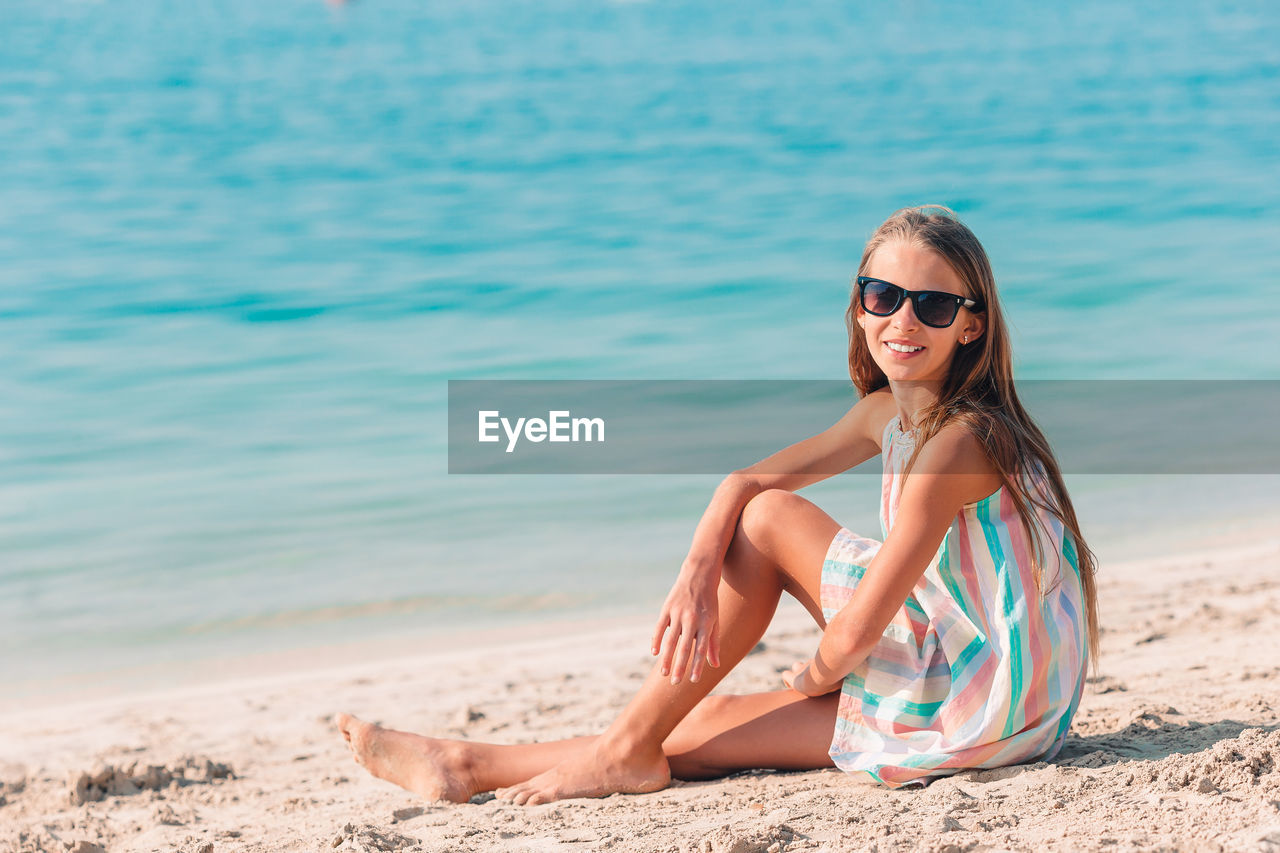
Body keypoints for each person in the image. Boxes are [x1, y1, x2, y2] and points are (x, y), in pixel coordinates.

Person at [336, 205, 1099, 803]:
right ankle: (497, 759)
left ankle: (478, 761)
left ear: (971, 324)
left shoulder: (963, 443)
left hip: (983, 699)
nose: (902, 321)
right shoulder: (890, 414)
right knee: (746, 564)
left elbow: (860, 626)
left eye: (932, 306)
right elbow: (746, 483)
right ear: (859, 307)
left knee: (700, 725)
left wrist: (809, 682)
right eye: (883, 295)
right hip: (954, 640)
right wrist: (698, 569)